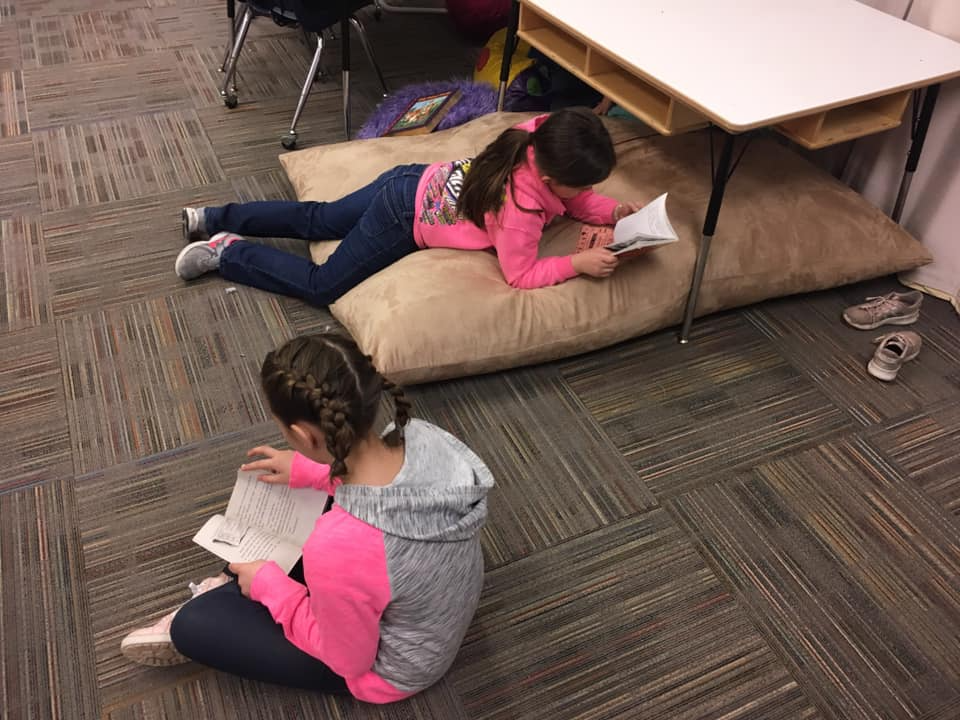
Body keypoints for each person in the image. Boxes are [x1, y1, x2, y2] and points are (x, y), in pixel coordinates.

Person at [119, 332, 495, 704]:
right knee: (288, 521)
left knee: (193, 626)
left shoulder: (339, 546)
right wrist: (314, 471)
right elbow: (391, 497)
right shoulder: (421, 438)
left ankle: (230, 591)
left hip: (392, 669)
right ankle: (237, 584)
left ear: (301, 433)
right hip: (432, 609)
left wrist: (271, 587)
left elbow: (348, 660)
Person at [174, 107, 645, 306]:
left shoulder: (538, 133)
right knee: (321, 286)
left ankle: (213, 215)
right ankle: (228, 251)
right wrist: (576, 262)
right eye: (577, 186)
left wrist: (611, 213)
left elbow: (577, 196)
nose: (582, 195)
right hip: (402, 217)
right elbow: (519, 275)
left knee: (318, 217)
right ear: (549, 179)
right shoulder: (519, 209)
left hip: (411, 178)